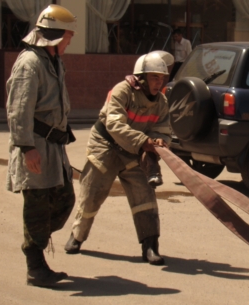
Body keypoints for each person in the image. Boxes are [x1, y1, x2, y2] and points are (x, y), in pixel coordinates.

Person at [64, 50, 174, 265]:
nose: (158, 82)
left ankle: (150, 247)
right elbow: (114, 124)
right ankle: (77, 236)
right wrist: (144, 141)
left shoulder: (161, 101)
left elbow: (163, 128)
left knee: (145, 195)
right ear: (141, 78)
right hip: (106, 146)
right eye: (154, 77)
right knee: (92, 192)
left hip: (133, 150)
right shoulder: (121, 91)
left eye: (161, 78)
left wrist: (159, 141)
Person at [5, 4, 77, 287]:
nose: (70, 42)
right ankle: (35, 266)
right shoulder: (30, 62)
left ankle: (34, 246)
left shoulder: (53, 60)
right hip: (35, 146)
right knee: (36, 208)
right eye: (68, 36)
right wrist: (25, 147)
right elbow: (18, 109)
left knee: (64, 199)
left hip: (53, 147)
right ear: (56, 36)